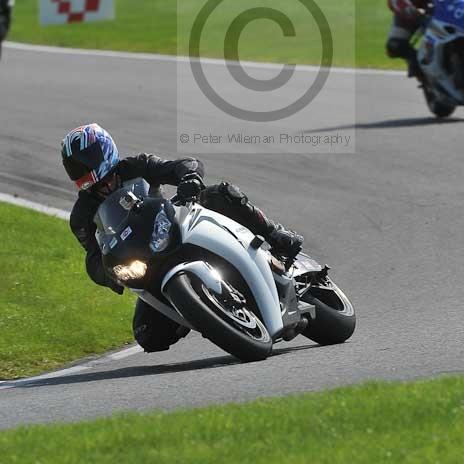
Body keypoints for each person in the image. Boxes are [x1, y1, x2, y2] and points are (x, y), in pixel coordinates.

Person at [61, 123, 304, 353]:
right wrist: (109, 272)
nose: (85, 171)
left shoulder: (137, 166)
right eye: (76, 167)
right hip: (147, 262)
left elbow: (186, 164)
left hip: (177, 224)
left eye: (86, 162)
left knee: (219, 193)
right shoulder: (81, 216)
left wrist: (190, 178)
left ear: (104, 151)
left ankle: (275, 233)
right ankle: (198, 309)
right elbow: (93, 257)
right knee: (148, 336)